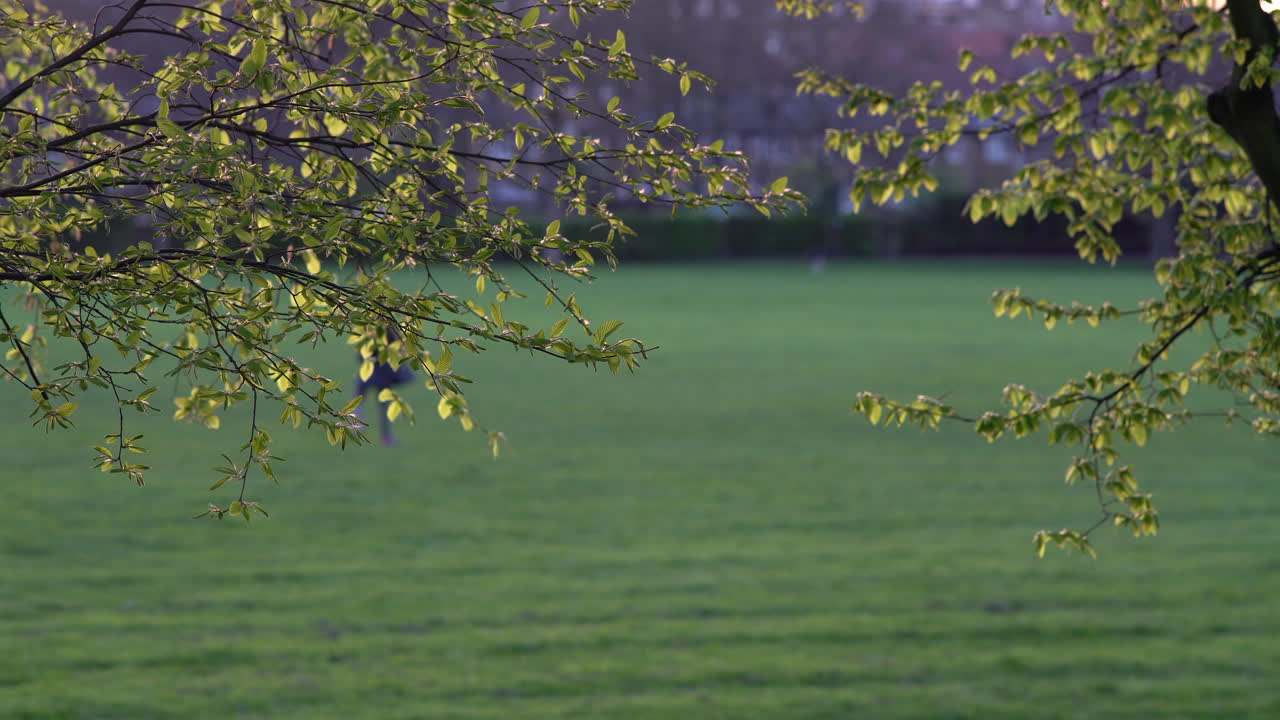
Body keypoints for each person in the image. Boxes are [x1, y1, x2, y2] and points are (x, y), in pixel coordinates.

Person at [352, 328, 414, 446]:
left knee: (357, 400)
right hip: (385, 377)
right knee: (383, 408)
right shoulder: (393, 336)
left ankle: (357, 425)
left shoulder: (368, 335)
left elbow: (360, 356)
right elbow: (400, 354)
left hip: (368, 373)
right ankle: (385, 437)